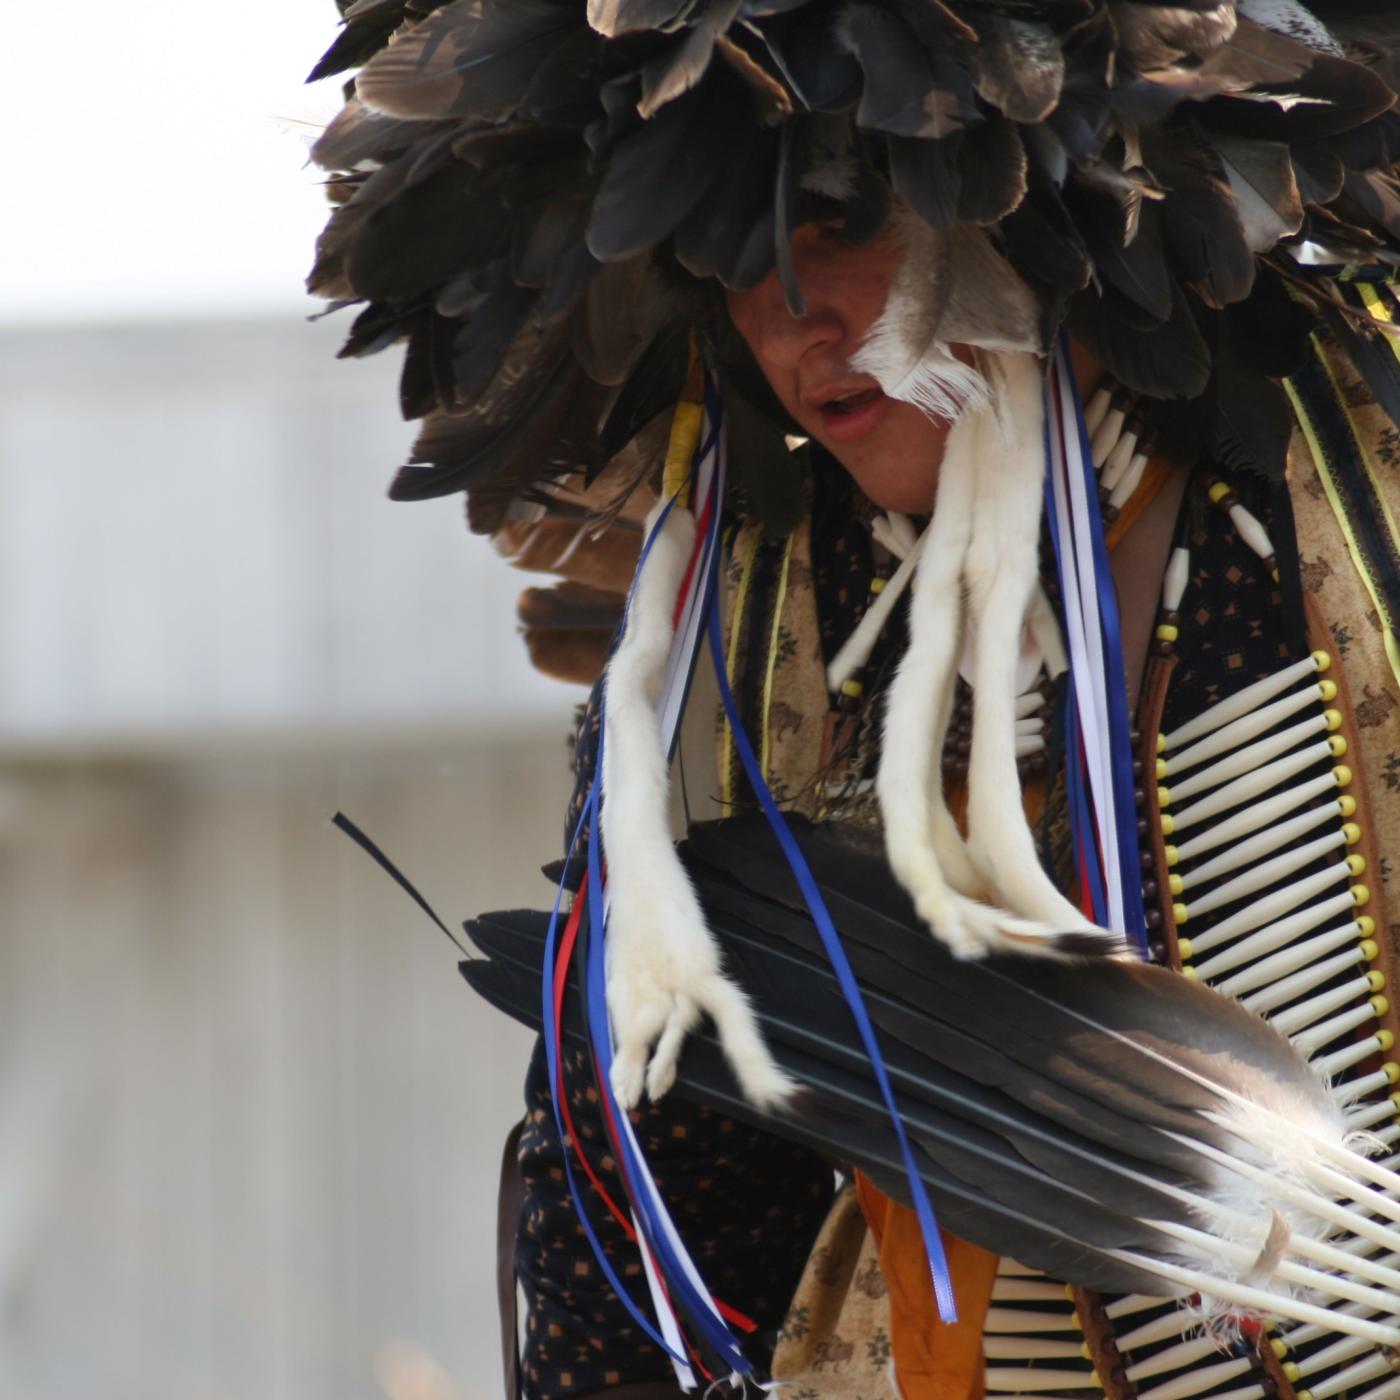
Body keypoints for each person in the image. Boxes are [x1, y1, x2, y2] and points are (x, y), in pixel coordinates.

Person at [306, 1, 1400, 1397]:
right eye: (728, 261)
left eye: (841, 218)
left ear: (1039, 193)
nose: (791, 319)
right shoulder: (763, 640)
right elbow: (653, 1241)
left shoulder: (1355, 470)